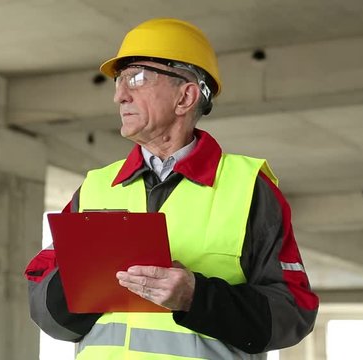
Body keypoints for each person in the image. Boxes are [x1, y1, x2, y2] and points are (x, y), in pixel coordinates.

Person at [24, 18, 318, 359]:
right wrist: (89, 280)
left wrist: (197, 298)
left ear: (186, 96)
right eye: (119, 82)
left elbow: (294, 313)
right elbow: (46, 311)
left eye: (136, 77)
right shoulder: (94, 188)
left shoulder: (249, 187)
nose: (120, 95)